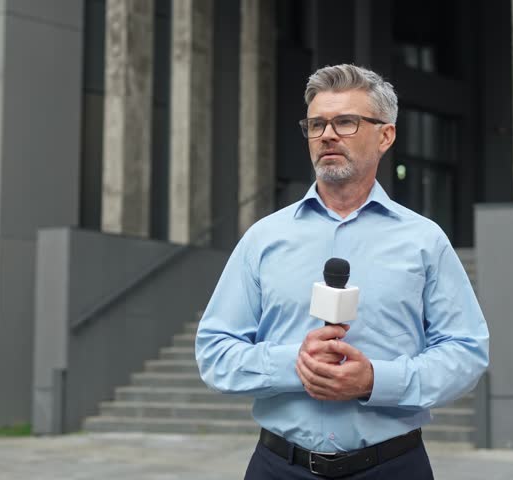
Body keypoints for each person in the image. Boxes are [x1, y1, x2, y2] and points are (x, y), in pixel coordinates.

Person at [196, 64, 489, 479]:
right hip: (280, 467)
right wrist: (294, 364)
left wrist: (374, 380)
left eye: (345, 122)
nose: (327, 135)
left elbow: (466, 351)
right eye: (316, 124)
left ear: (385, 135)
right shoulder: (264, 238)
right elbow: (214, 351)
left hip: (392, 468)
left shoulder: (425, 241)